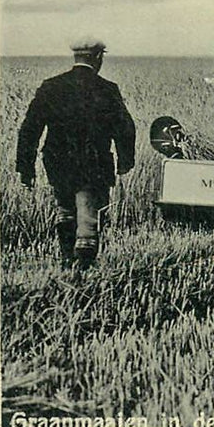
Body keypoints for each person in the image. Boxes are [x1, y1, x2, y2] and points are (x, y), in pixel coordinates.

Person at [16, 37, 136, 266]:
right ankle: (84, 269)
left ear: (76, 57)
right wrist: (125, 160)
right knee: (89, 214)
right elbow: (125, 128)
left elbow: (29, 128)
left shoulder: (51, 86)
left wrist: (25, 167)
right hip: (95, 162)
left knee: (65, 209)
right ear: (98, 57)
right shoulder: (107, 89)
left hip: (57, 162)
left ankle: (67, 260)